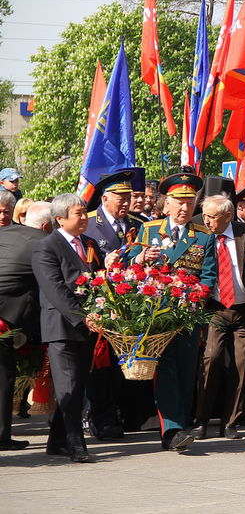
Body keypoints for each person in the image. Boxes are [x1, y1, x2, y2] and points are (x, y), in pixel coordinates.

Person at [128, 173, 217, 452]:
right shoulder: (150, 230)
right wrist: (140, 258)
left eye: (190, 203)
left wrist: (196, 299)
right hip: (158, 314)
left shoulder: (203, 235)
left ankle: (181, 424)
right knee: (165, 370)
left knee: (186, 369)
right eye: (179, 202)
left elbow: (208, 275)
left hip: (188, 315)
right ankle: (173, 430)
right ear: (166, 204)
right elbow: (131, 265)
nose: (184, 208)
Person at [32, 194, 104, 462]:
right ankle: (76, 443)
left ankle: (56, 441)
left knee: (77, 384)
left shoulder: (89, 243)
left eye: (85, 212)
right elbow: (55, 289)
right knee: (68, 386)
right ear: (60, 218)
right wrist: (82, 317)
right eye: (78, 213)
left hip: (88, 325)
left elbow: (99, 280)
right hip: (62, 325)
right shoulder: (46, 247)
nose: (84, 217)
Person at [84, 170, 147, 440]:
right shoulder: (88, 224)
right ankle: (102, 418)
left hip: (131, 307)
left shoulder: (137, 224)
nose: (125, 203)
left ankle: (129, 414)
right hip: (100, 306)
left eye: (127, 197)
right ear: (105, 198)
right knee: (102, 367)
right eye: (119, 198)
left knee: (128, 364)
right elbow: (83, 268)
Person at [192, 195, 245, 441]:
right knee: (212, 358)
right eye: (205, 216)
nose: (207, 221)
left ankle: (231, 422)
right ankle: (201, 420)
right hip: (216, 309)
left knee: (243, 365)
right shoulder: (200, 233)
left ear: (228, 216)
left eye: (212, 217)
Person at [0, 201, 52, 450]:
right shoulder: (39, 241)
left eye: (6, 212)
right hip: (5, 319)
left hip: (9, 319)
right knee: (3, 376)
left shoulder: (12, 234)